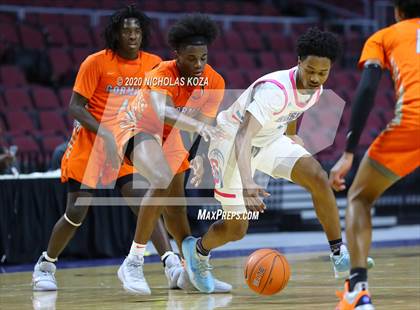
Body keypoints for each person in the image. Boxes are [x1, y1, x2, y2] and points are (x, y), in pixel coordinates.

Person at [181, 27, 375, 294]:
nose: (316, 78)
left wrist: (293, 137)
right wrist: (249, 182)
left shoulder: (314, 87)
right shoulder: (274, 91)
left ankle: (338, 255)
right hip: (230, 143)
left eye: (323, 73)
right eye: (310, 71)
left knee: (318, 176)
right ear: (298, 63)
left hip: (269, 139)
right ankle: (198, 251)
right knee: (237, 229)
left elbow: (296, 108)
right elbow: (242, 138)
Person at [32, 5, 184, 292]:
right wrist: (106, 133)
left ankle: (171, 263)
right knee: (77, 212)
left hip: (125, 142)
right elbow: (75, 107)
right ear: (115, 34)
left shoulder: (153, 63)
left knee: (144, 205)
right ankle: (46, 264)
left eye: (137, 30)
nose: (132, 36)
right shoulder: (96, 63)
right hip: (91, 143)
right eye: (126, 31)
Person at [117, 13, 231, 294]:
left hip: (172, 137)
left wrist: (199, 157)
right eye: (191, 58)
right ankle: (133, 261)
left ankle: (189, 270)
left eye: (203, 57)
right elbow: (162, 111)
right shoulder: (161, 73)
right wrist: (196, 127)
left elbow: (201, 129)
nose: (199, 64)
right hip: (136, 128)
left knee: (177, 209)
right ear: (176, 54)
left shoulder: (215, 82)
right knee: (160, 177)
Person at [329, 1, 420, 308]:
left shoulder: (383, 37)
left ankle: (358, 289)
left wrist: (349, 153)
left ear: (397, 11)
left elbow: (367, 90)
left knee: (359, 197)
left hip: (413, 124)